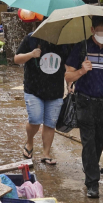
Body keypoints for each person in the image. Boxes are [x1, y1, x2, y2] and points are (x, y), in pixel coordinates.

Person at [65, 16, 103, 198]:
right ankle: (92, 183)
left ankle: (90, 168)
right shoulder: (81, 48)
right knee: (88, 142)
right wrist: (81, 71)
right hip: (84, 102)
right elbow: (68, 76)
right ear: (92, 30)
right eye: (100, 31)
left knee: (99, 141)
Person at [14, 33, 71, 165]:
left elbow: (68, 65)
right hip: (33, 89)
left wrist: (70, 84)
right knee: (35, 119)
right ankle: (29, 141)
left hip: (55, 91)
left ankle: (46, 154)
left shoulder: (63, 42)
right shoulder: (31, 38)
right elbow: (17, 59)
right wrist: (31, 54)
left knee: (50, 123)